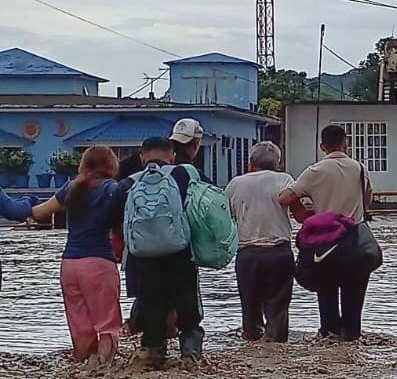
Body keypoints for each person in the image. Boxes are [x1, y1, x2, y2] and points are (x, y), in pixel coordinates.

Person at [114, 136, 205, 368]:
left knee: (150, 303)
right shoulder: (186, 174)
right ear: (172, 155)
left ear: (142, 156)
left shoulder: (129, 183)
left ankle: (152, 352)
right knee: (187, 304)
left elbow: (114, 220)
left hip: (142, 258)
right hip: (181, 254)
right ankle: (190, 352)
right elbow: (209, 205)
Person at [28, 146, 123, 366]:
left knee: (79, 321)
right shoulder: (113, 189)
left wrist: (21, 204)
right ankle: (103, 364)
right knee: (106, 322)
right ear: (111, 165)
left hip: (69, 263)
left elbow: (39, 212)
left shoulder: (71, 187)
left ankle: (82, 360)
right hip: (99, 262)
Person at [280, 125, 373, 341]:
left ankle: (329, 340)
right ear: (346, 143)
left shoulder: (315, 171)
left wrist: (306, 214)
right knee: (354, 302)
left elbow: (285, 198)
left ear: (322, 146)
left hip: (326, 244)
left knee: (327, 297)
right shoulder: (360, 169)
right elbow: (368, 200)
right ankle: (351, 345)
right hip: (356, 244)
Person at [225, 141, 295, 343]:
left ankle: (252, 343)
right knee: (278, 311)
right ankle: (276, 345)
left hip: (248, 255)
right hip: (279, 253)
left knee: (250, 309)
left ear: (250, 163)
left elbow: (227, 217)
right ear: (278, 163)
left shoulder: (236, 183)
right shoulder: (285, 179)